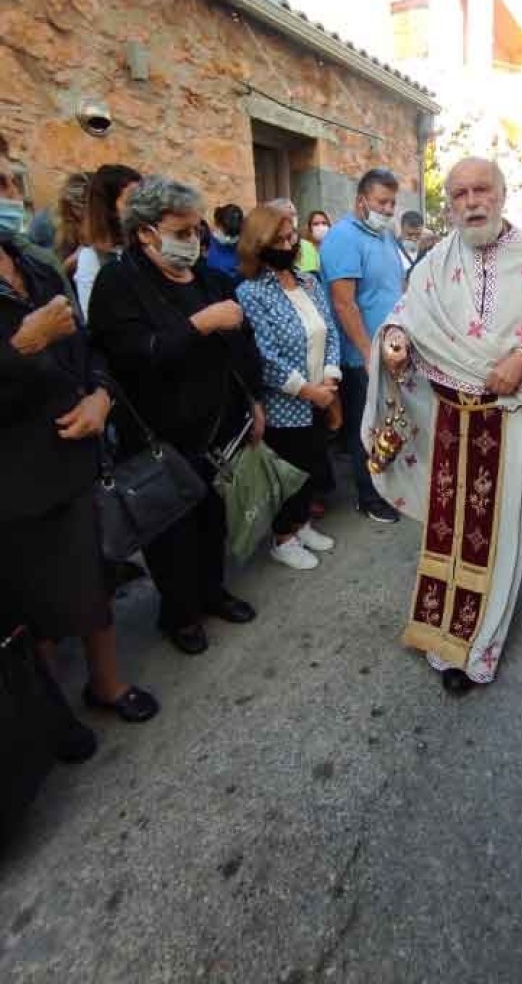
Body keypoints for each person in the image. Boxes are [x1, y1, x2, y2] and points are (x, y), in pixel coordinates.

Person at [362, 157, 522, 692]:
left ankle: (477, 647)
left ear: (502, 194)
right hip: (447, 423)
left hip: (505, 425)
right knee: (450, 533)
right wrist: (393, 341)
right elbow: (403, 316)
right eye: (459, 193)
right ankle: (440, 631)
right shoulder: (435, 261)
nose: (470, 201)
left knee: (495, 537)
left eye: (481, 189)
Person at [1, 152, 159, 753]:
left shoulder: (33, 263)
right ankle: (47, 719)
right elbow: (29, 349)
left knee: (90, 581)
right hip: (14, 480)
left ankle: (108, 685)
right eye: (1, 183)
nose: (14, 193)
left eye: (15, 179)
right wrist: (21, 346)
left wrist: (99, 397)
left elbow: (88, 344)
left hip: (75, 456)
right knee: (32, 609)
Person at [88, 176, 261, 655]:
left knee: (213, 520)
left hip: (218, 428)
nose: (194, 240)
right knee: (170, 532)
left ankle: (213, 591)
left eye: (196, 230)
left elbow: (242, 348)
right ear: (146, 233)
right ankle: (179, 614)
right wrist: (198, 325)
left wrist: (253, 403)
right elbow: (127, 358)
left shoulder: (209, 278)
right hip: (159, 437)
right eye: (182, 232)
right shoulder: (118, 283)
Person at [236, 205, 339, 570]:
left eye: (291, 236)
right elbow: (263, 357)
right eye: (277, 239)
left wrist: (329, 378)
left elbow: (329, 331)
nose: (287, 243)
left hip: (321, 393)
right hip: (287, 402)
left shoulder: (310, 282)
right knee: (288, 473)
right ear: (258, 244)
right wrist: (308, 391)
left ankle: (302, 524)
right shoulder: (250, 292)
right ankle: (283, 538)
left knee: (312, 464)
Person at [320, 167, 405, 524]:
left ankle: (389, 484)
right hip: (362, 356)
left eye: (392, 203)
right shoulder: (343, 238)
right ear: (361, 200)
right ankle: (368, 497)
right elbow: (344, 303)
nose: (388, 210)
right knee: (365, 427)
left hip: (390, 350)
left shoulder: (384, 236)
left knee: (388, 422)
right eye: (382, 202)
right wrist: (368, 351)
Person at [74, 164, 142, 317]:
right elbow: (92, 317)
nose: (141, 208)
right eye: (131, 201)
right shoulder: (91, 258)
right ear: (109, 208)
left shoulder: (147, 246)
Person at [205, 202, 245, 283]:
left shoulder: (245, 244)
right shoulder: (207, 243)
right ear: (217, 224)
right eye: (227, 231)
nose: (229, 237)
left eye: (234, 233)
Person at [301, 209, 332, 274]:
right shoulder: (303, 248)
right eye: (316, 224)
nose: (321, 227)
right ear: (309, 228)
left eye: (324, 223)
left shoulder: (333, 248)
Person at [396, 209, 424, 279]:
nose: (413, 238)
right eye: (409, 234)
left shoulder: (426, 250)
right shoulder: (392, 249)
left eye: (418, 235)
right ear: (402, 229)